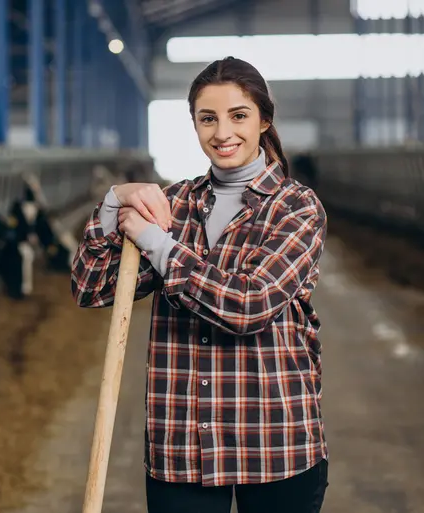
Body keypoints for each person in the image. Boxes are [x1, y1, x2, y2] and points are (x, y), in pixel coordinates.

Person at [71, 57, 329, 513]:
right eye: (207, 118)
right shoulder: (174, 204)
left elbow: (249, 306)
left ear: (264, 119)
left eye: (239, 115)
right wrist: (112, 204)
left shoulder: (297, 208)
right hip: (183, 448)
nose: (222, 132)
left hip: (273, 443)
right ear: (193, 123)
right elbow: (91, 288)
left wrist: (159, 245)